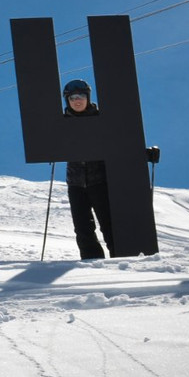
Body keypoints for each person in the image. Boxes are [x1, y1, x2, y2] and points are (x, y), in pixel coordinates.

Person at [62, 79, 113, 259]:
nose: (77, 100)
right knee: (82, 227)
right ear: (67, 100)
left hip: (100, 179)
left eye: (81, 96)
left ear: (88, 97)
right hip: (76, 183)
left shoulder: (101, 118)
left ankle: (121, 258)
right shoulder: (62, 123)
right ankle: (92, 262)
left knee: (109, 223)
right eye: (73, 97)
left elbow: (121, 139)